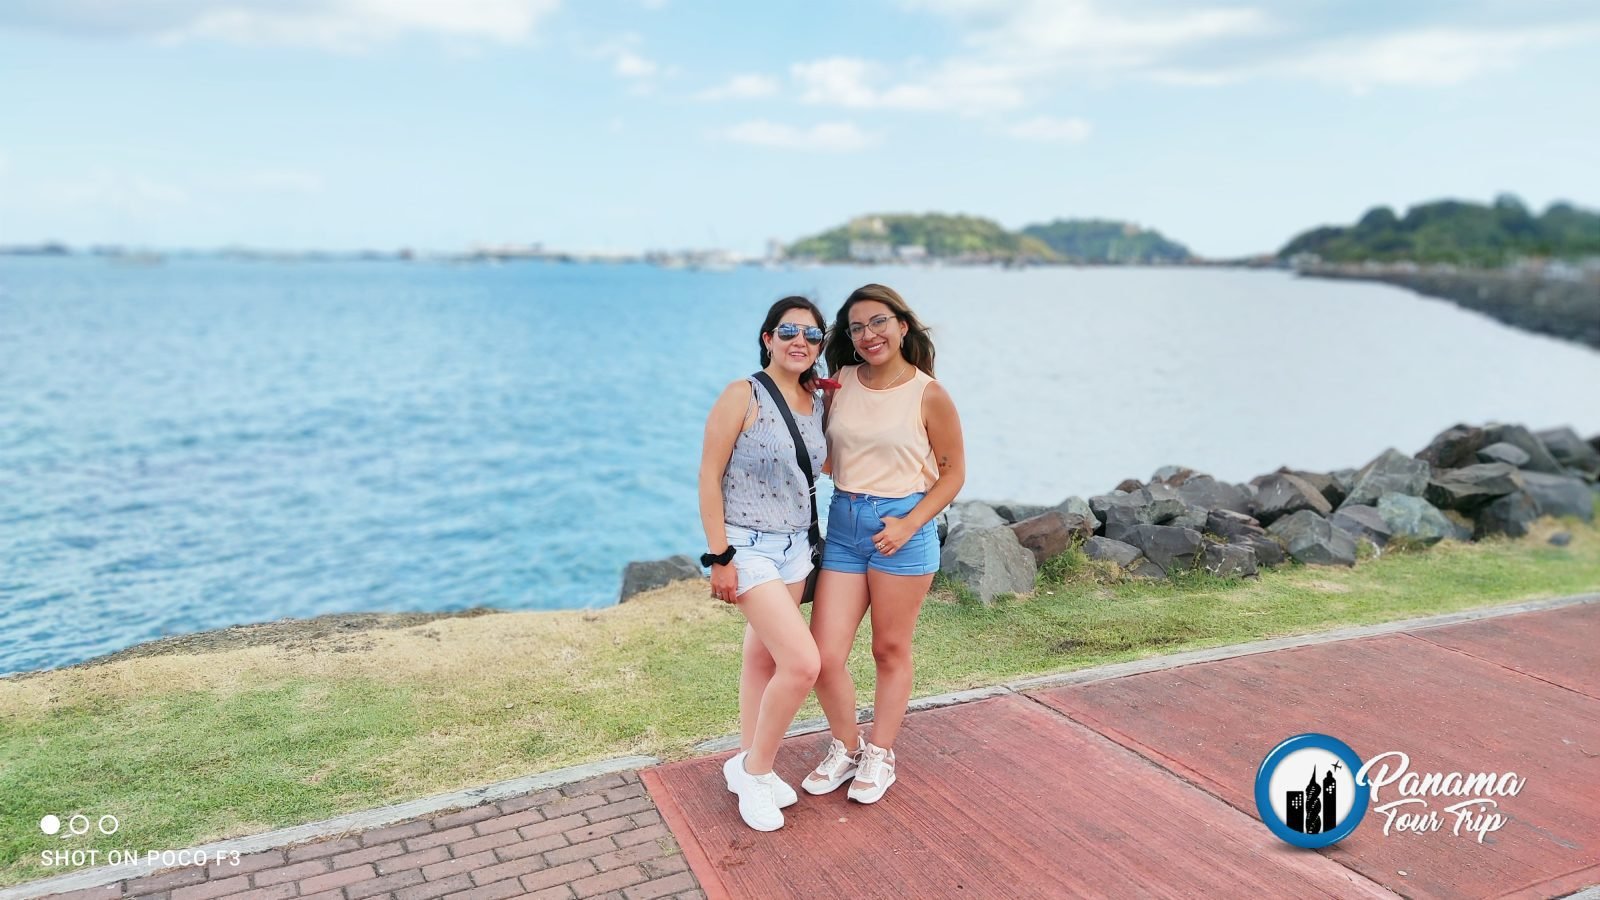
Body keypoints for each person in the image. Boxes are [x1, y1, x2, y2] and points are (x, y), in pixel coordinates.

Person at [803, 283, 965, 804]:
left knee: (889, 648)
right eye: (856, 327)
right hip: (846, 522)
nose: (867, 334)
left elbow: (953, 473)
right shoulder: (840, 382)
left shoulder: (928, 393)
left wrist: (908, 523)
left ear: (901, 325)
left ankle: (881, 752)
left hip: (904, 528)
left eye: (877, 322)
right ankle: (846, 748)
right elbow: (824, 451)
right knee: (823, 656)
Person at [697, 296, 829, 832]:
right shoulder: (742, 394)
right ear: (767, 338)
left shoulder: (816, 400)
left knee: (765, 661)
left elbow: (823, 465)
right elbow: (709, 476)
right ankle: (756, 770)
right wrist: (720, 556)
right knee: (803, 664)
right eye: (788, 330)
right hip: (747, 546)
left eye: (813, 334)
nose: (800, 341)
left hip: (797, 546)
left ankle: (744, 758)